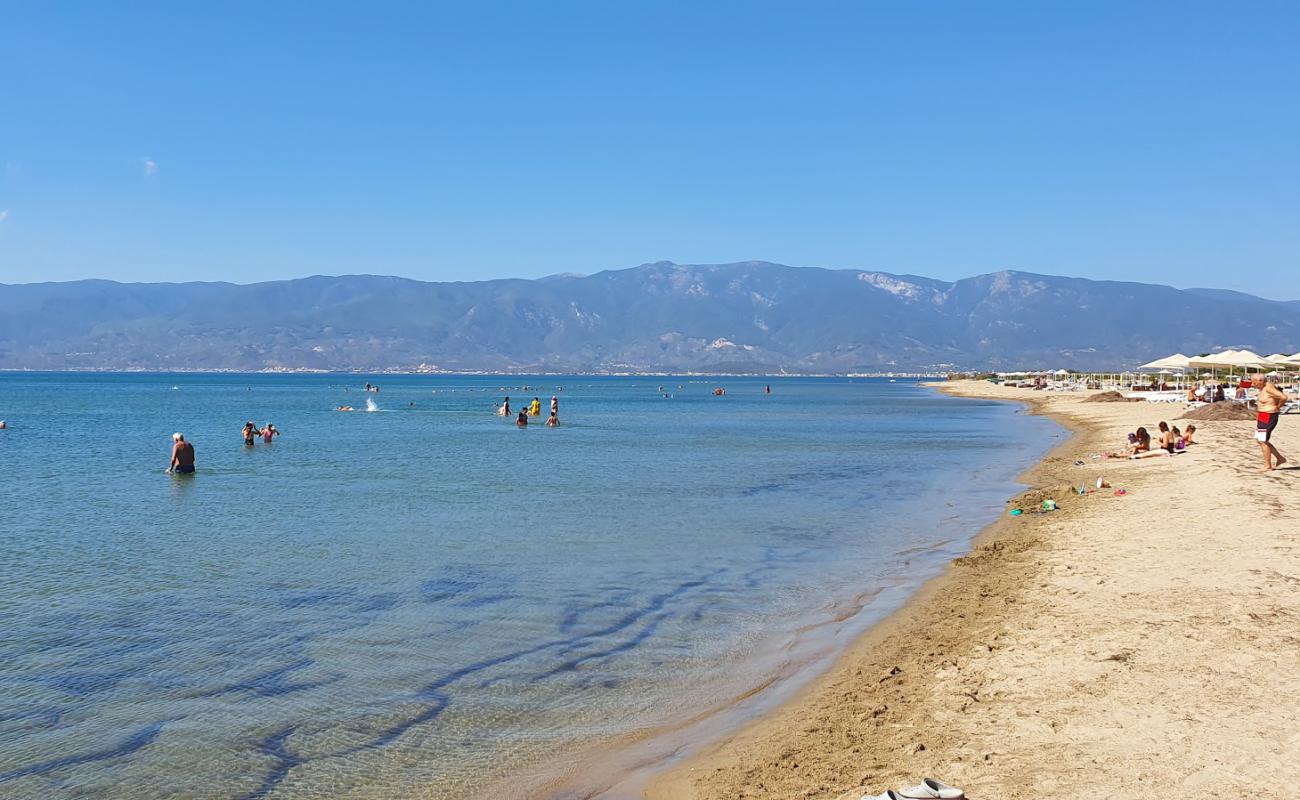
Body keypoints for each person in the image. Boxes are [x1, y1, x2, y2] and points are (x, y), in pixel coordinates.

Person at [1255, 375, 1292, 472]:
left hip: (1269, 415)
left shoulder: (1269, 387)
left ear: (1260, 381)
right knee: (1259, 440)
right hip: (1263, 416)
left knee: (1263, 440)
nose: (1254, 385)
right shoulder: (1263, 387)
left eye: (1254, 383)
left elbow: (1283, 397)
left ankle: (1268, 466)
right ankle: (1280, 458)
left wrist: (1278, 406)